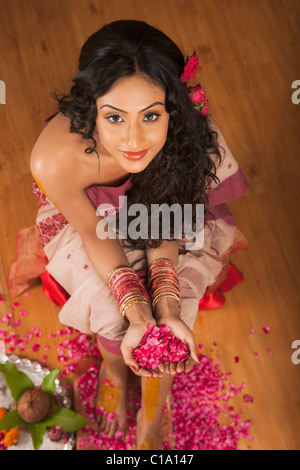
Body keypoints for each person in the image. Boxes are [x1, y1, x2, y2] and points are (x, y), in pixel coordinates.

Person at [30, 20, 248, 449]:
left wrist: (164, 310)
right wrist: (138, 314)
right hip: (94, 220)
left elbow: (165, 216)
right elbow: (94, 232)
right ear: (90, 106)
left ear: (174, 108)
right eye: (114, 117)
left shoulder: (186, 137)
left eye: (151, 115)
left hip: (167, 216)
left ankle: (155, 403)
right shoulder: (55, 159)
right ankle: (115, 370)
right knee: (112, 313)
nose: (133, 140)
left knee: (179, 310)